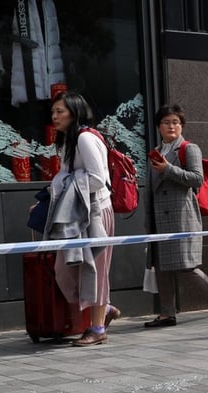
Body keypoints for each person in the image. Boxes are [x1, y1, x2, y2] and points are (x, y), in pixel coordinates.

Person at [143, 104, 208, 328]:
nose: (171, 126)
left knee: (185, 266)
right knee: (161, 266)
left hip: (181, 217)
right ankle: (166, 313)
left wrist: (168, 170)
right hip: (159, 218)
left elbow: (196, 179)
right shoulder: (156, 151)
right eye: (166, 122)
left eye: (175, 122)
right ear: (159, 126)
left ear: (181, 126)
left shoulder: (189, 149)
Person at [43, 92, 119, 346]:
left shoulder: (85, 138)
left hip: (95, 211)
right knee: (64, 270)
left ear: (74, 112)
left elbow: (98, 179)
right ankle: (104, 308)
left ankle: (97, 328)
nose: (55, 116)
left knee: (95, 270)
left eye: (60, 112)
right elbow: (67, 175)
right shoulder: (67, 140)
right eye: (53, 112)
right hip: (77, 212)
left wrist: (65, 185)